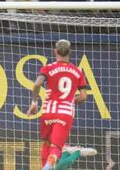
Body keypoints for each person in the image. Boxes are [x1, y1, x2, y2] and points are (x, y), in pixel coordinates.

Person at [26, 39, 88, 170]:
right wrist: (72, 100)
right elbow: (83, 96)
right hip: (65, 113)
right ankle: (50, 163)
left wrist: (34, 102)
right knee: (55, 148)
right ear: (69, 52)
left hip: (48, 111)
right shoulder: (77, 72)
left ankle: (45, 167)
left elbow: (37, 84)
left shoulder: (48, 68)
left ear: (55, 51)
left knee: (46, 144)